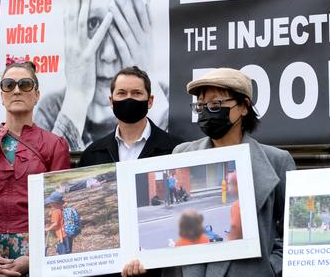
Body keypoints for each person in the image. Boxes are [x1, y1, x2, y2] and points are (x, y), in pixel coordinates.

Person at [123, 67, 296, 277]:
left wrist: (271, 266)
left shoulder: (277, 161)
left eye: (216, 104)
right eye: (201, 105)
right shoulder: (182, 154)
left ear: (243, 107)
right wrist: (145, 259)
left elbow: (293, 233)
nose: (206, 111)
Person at [35, 0, 169, 151]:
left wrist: (147, 77)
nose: (108, 54)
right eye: (93, 23)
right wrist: (77, 98)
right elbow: (50, 176)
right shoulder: (51, 111)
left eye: (125, 23)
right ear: (71, 22)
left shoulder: (167, 104)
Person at [0, 61, 70, 277]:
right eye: (9, 85)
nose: (17, 90)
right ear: (1, 95)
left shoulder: (55, 145)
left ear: (37, 94)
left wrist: (34, 256)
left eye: (25, 84)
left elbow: (58, 209)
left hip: (35, 253)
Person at [79, 66, 181, 166]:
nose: (129, 98)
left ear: (150, 101)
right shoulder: (92, 155)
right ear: (111, 102)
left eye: (136, 93)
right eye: (121, 93)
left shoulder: (175, 150)